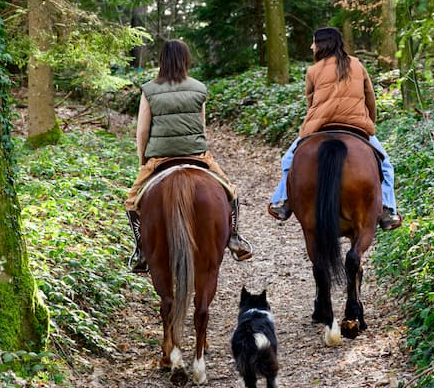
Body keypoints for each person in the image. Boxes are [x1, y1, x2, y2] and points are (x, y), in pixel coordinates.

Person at [125, 39, 253, 272]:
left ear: (162, 61)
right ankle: (234, 238)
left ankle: (141, 248)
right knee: (231, 193)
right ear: (186, 60)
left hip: (161, 158)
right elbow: (202, 127)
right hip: (197, 155)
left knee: (132, 202)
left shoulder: (149, 89)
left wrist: (143, 159)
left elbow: (142, 130)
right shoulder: (199, 88)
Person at [267, 27, 402, 230]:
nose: (312, 47)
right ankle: (387, 209)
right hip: (356, 126)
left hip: (320, 126)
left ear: (322, 45)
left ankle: (282, 202)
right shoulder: (356, 64)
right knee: (386, 166)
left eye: (314, 42)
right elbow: (370, 98)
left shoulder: (313, 71)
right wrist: (368, 123)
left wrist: (313, 123)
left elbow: (311, 103)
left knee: (288, 160)